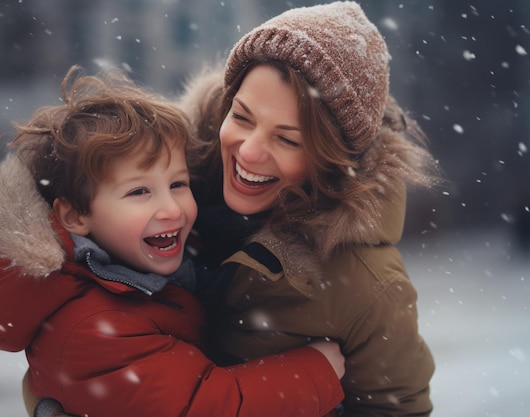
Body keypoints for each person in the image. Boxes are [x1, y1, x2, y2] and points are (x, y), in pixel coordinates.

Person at [0, 65, 345, 417]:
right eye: (139, 192)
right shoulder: (94, 326)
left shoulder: (136, 273)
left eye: (178, 184)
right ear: (75, 216)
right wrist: (315, 371)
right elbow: (203, 405)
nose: (172, 209)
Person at [179, 2, 442, 416]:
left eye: (287, 140)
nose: (248, 151)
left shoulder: (367, 287)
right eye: (243, 117)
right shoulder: (152, 196)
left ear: (331, 159)